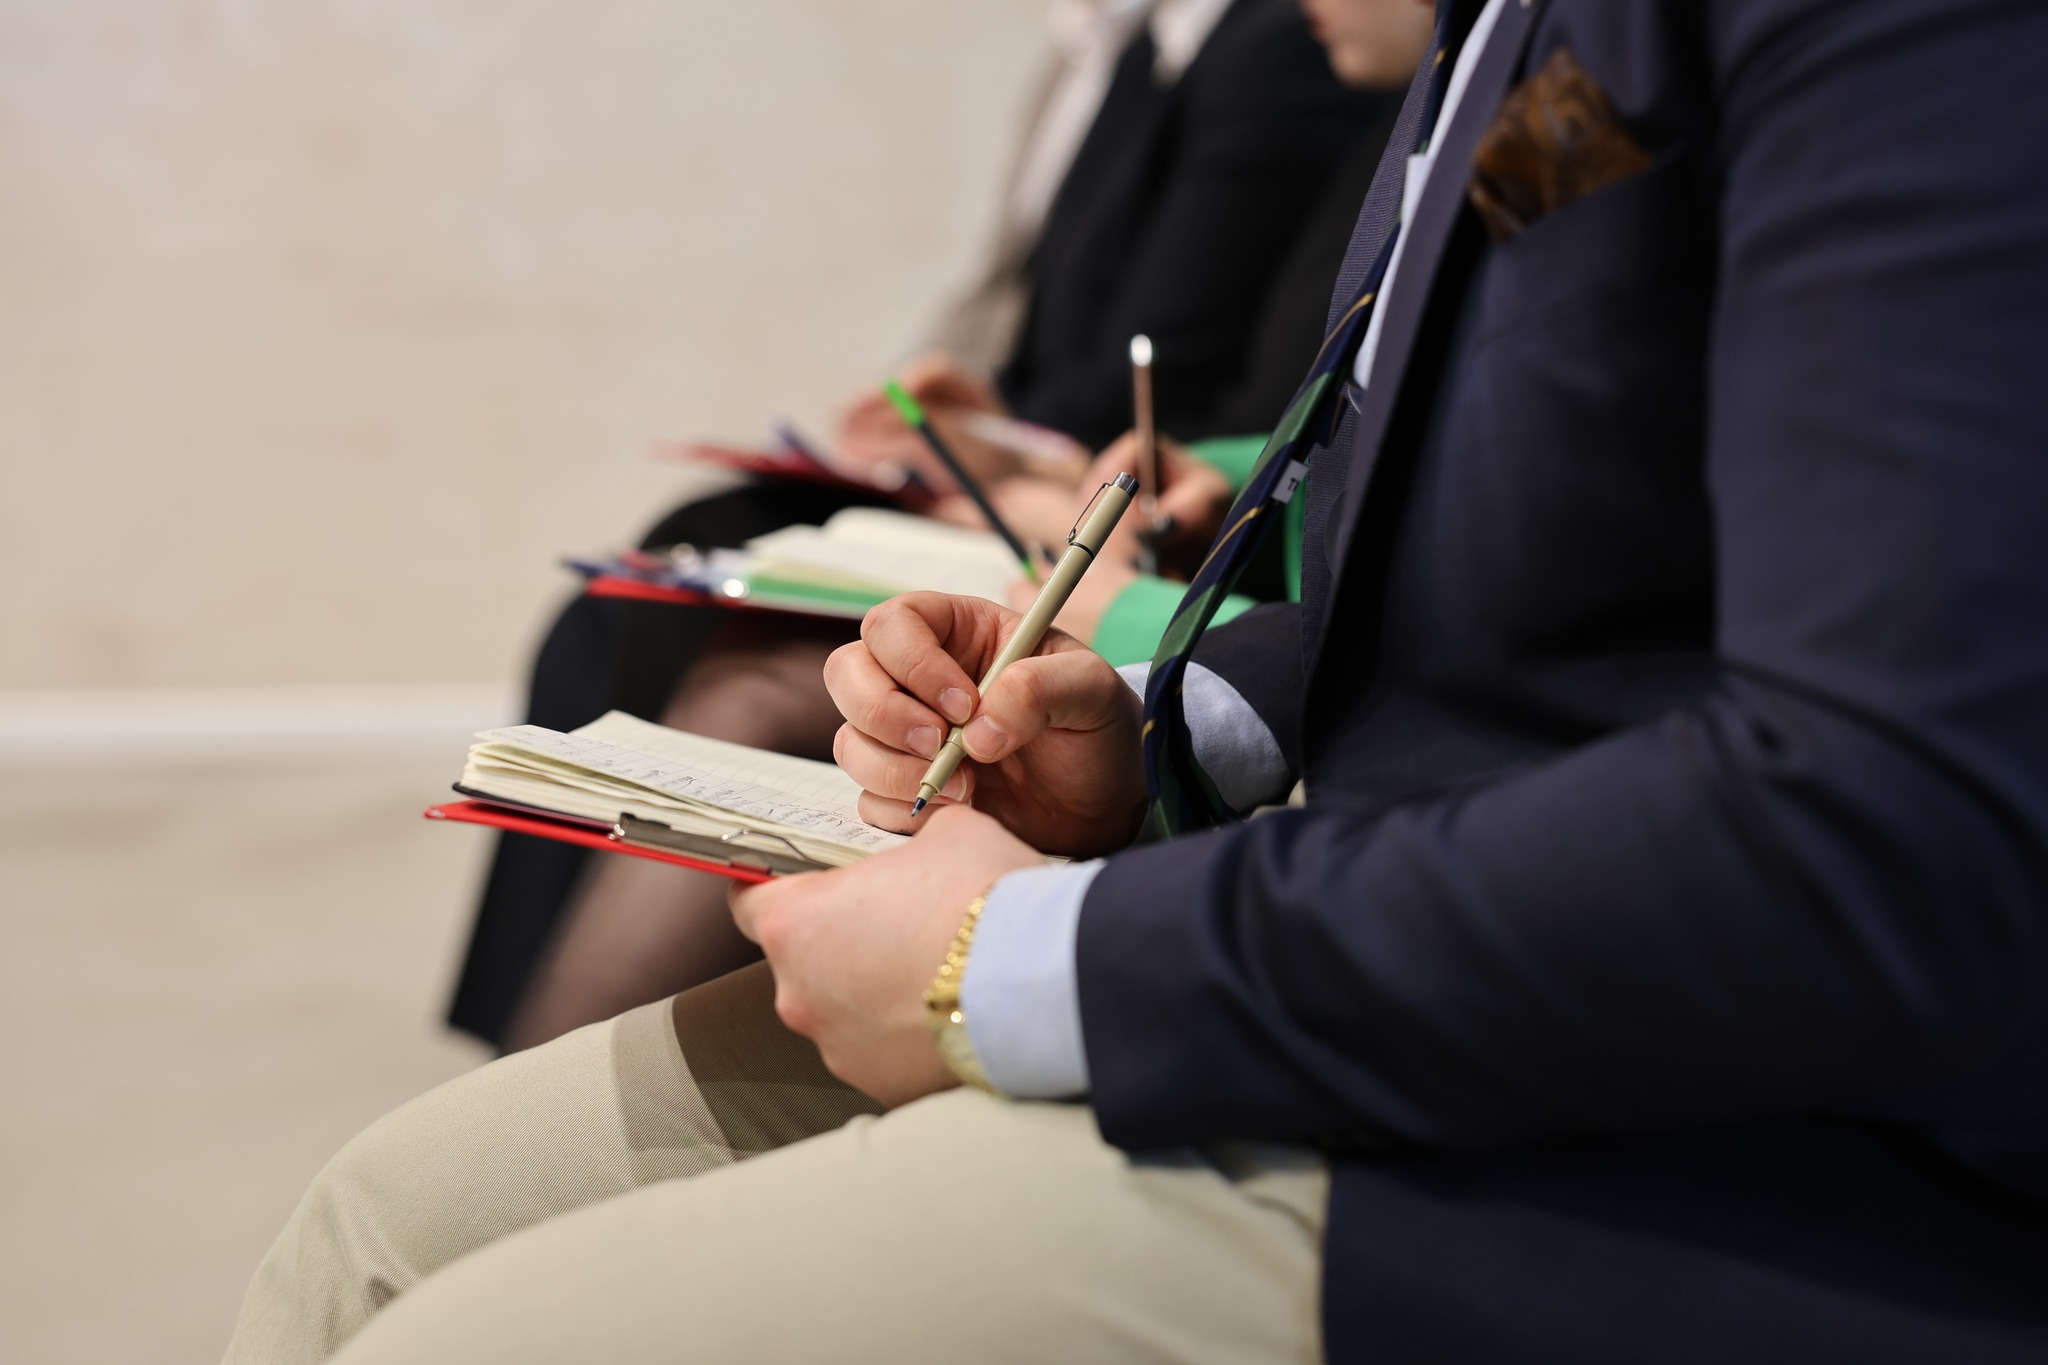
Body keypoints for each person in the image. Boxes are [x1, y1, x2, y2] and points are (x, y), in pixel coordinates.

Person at [229, 0, 2048, 1360]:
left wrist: (1018, 960)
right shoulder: (1506, 45)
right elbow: (1519, 568)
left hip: (1696, 1147)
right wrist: (1157, 747)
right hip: (1395, 959)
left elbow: (1883, 823)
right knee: (389, 1224)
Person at [448, 0, 1398, 1052]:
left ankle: (555, 1069)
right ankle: (524, 1057)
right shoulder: (1191, 68)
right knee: (662, 572)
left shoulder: (1295, 65)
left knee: (751, 683)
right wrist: (1213, 473)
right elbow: (1316, 426)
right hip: (1167, 548)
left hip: (1184, 616)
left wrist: (1116, 581)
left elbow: (1360, 507)